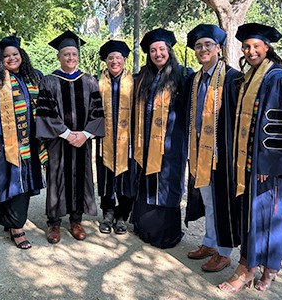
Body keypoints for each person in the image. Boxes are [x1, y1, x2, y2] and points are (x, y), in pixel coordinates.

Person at [219, 23, 282, 293]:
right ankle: (264, 268)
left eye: (255, 46)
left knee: (266, 215)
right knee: (256, 217)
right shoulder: (250, 75)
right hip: (249, 163)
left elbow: (280, 124)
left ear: (267, 47)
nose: (250, 51)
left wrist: (268, 163)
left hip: (267, 166)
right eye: (246, 47)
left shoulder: (275, 76)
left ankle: (252, 269)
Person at [36, 30, 105, 244]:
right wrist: (67, 134)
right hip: (58, 140)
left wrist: (84, 134)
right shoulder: (49, 81)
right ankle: (54, 223)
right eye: (66, 54)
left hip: (82, 141)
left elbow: (97, 111)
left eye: (74, 54)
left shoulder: (90, 82)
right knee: (57, 176)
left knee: (80, 176)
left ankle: (76, 220)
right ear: (59, 57)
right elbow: (46, 112)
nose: (71, 58)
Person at [184, 24, 241, 272]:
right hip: (200, 149)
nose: (203, 49)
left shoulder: (232, 78)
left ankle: (224, 252)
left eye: (208, 45)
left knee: (222, 201)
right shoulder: (195, 79)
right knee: (207, 199)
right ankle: (209, 242)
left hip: (222, 152)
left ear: (218, 48)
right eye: (199, 46)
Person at [0, 36, 45, 249]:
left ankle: (12, 223)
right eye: (6, 56)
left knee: (23, 181)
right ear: (0, 59)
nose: (11, 58)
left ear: (22, 55)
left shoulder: (34, 76)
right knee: (9, 180)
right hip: (4, 139)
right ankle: (17, 228)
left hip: (31, 140)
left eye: (15, 54)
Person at [132, 28, 193, 249]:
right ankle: (145, 228)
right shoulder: (144, 77)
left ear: (169, 50)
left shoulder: (183, 75)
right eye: (153, 51)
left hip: (172, 142)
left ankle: (166, 234)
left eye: (161, 49)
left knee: (167, 183)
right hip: (147, 141)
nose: (158, 54)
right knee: (147, 180)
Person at [96, 40, 135, 235]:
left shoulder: (135, 82)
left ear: (125, 59)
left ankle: (122, 216)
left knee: (126, 178)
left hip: (128, 140)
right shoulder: (98, 83)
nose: (114, 61)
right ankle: (108, 213)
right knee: (105, 177)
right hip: (105, 139)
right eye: (110, 58)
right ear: (106, 60)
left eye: (118, 57)